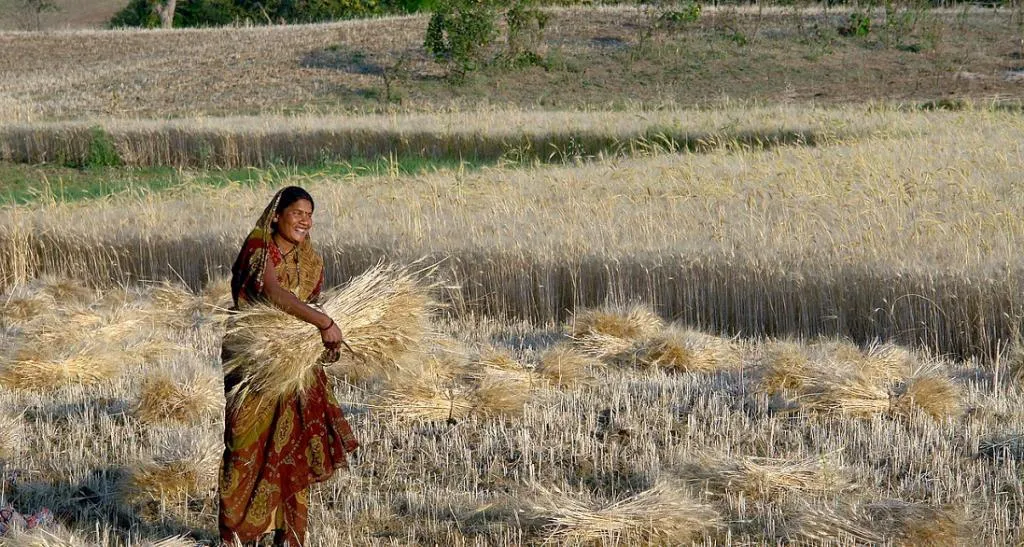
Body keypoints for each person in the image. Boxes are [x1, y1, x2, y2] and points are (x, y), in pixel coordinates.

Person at [219, 186, 358, 546]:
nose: (305, 220)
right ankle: (238, 535)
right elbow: (272, 292)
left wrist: (325, 344)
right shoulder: (258, 249)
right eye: (297, 212)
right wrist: (324, 323)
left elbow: (310, 308)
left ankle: (287, 535)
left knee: (292, 448)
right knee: (244, 446)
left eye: (310, 215)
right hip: (254, 362)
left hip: (295, 368)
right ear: (276, 215)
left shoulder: (312, 261)